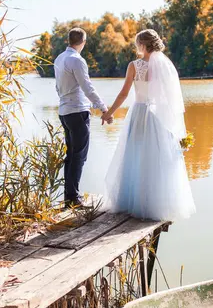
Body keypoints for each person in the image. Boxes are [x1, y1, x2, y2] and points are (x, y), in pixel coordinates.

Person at [102, 29, 196, 221]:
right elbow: (172, 100)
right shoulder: (166, 66)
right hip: (158, 117)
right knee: (155, 158)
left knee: (135, 155)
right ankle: (156, 204)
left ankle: (133, 201)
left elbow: (123, 94)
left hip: (139, 114)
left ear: (143, 45)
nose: (137, 47)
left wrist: (109, 113)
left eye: (138, 43)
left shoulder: (135, 66)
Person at [54, 28, 113, 209]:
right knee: (79, 156)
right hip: (77, 112)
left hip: (64, 112)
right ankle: (74, 198)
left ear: (69, 40)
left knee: (71, 156)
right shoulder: (77, 60)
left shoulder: (59, 58)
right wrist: (104, 108)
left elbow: (58, 87)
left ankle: (69, 197)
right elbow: (87, 88)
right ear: (83, 42)